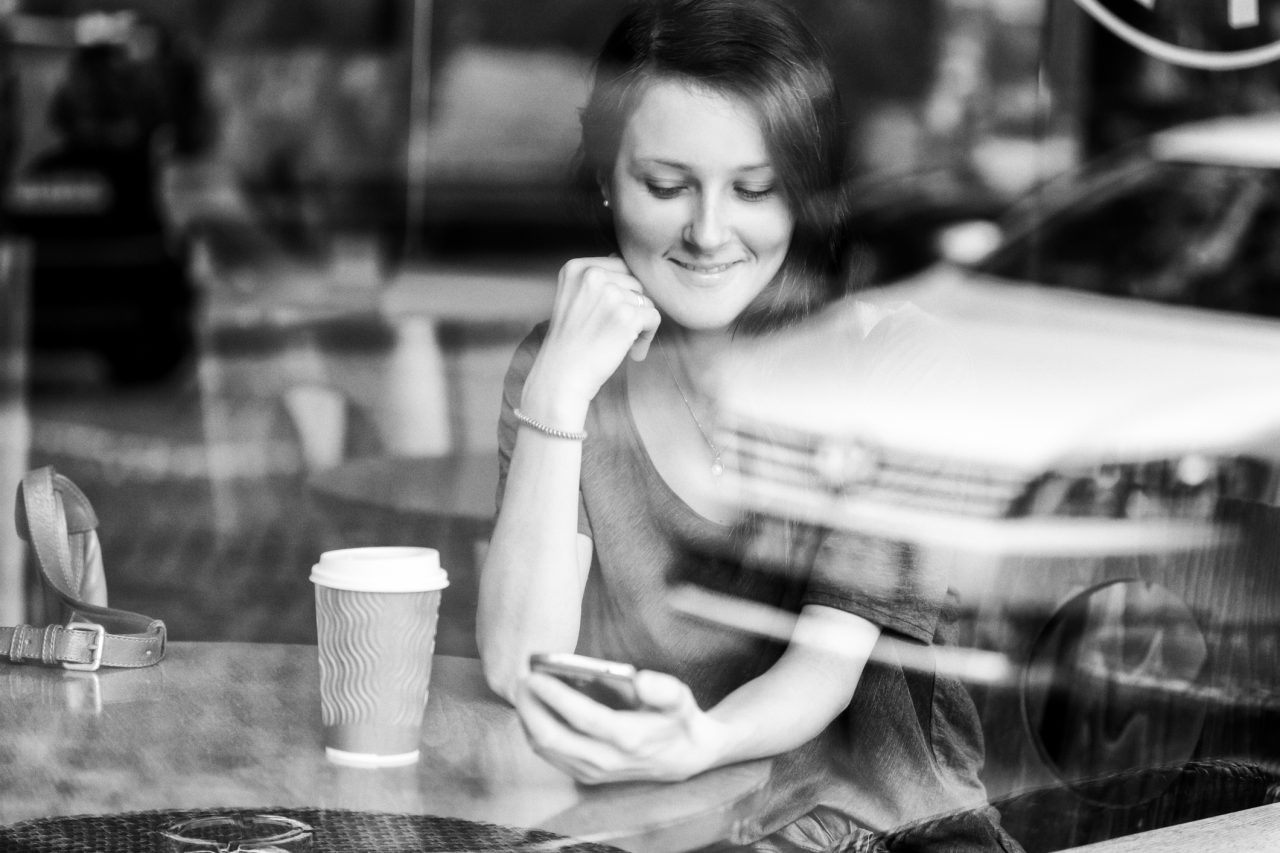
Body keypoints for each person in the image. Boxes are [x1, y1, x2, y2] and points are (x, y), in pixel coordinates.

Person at [476, 1, 1021, 850]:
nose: (708, 231)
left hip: (884, 834)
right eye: (667, 185)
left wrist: (703, 741)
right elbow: (520, 666)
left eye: (755, 188)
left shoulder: (895, 364)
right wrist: (555, 398)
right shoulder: (565, 363)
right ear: (604, 179)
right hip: (671, 830)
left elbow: (826, 667)